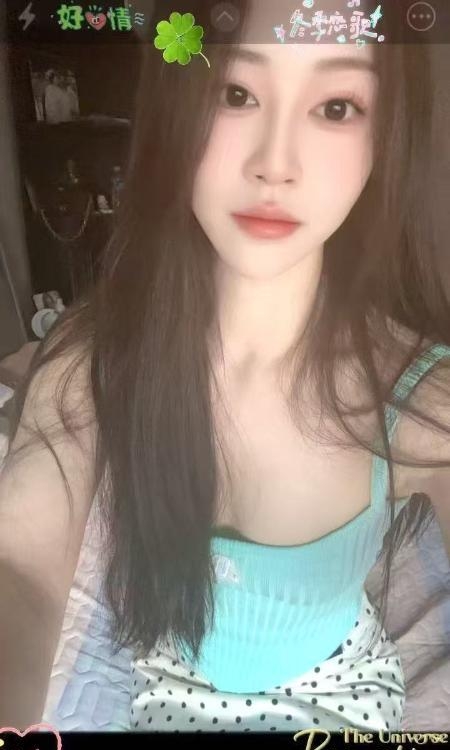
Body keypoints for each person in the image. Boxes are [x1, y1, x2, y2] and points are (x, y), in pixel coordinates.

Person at [1, 0, 450, 732]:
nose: (275, 163)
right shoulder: (96, 357)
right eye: (235, 93)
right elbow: (19, 566)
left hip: (343, 697)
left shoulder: (416, 390)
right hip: (165, 693)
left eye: (337, 107)